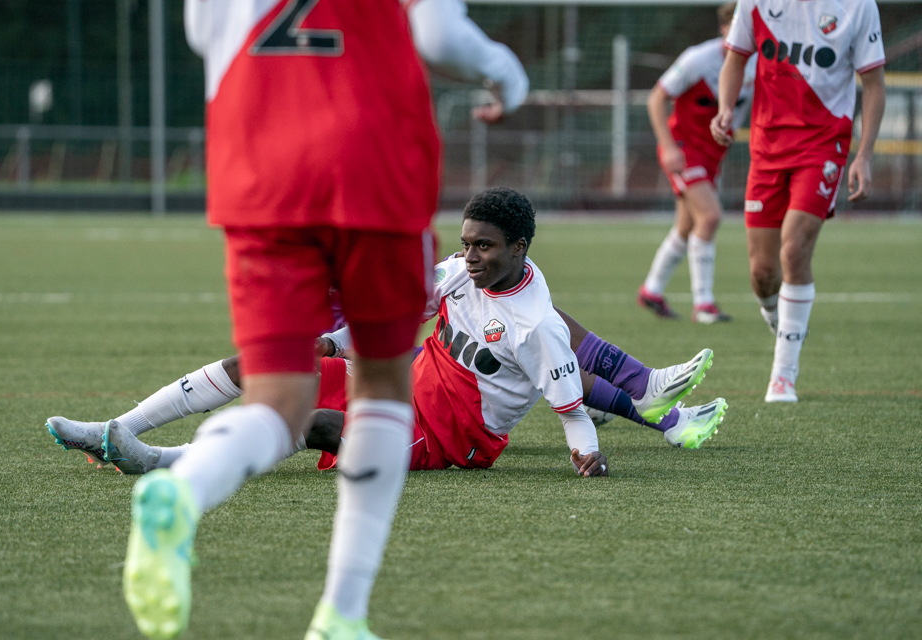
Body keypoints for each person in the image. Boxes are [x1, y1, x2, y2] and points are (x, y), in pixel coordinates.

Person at [111, 1, 447, 639]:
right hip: (375, 173)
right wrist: (503, 74)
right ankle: (342, 613)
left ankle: (186, 491)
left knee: (275, 404)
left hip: (260, 177)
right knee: (383, 389)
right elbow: (441, 34)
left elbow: (203, 35)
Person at [48, 191, 727, 478]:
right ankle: (119, 428)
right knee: (262, 362)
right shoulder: (459, 274)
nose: (470, 256)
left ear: (520, 247)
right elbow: (394, 319)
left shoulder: (537, 324)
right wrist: (337, 345)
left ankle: (162, 462)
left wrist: (590, 456)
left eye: (485, 246)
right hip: (396, 383)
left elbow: (573, 405)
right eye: (467, 243)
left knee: (315, 424)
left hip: (446, 437)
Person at [710, 0, 886, 402]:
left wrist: (864, 155)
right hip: (767, 147)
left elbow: (874, 84)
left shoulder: (858, 7)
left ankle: (783, 376)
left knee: (794, 249)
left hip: (823, 144)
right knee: (762, 273)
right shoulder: (756, 3)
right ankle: (781, 321)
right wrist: (724, 110)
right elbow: (735, 60)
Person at [638, 3, 756, 324]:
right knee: (710, 216)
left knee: (687, 225)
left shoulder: (758, 62)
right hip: (683, 149)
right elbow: (656, 98)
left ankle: (651, 290)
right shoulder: (698, 59)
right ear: (723, 29)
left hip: (712, 155)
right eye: (737, 26)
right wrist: (668, 147)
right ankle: (703, 304)